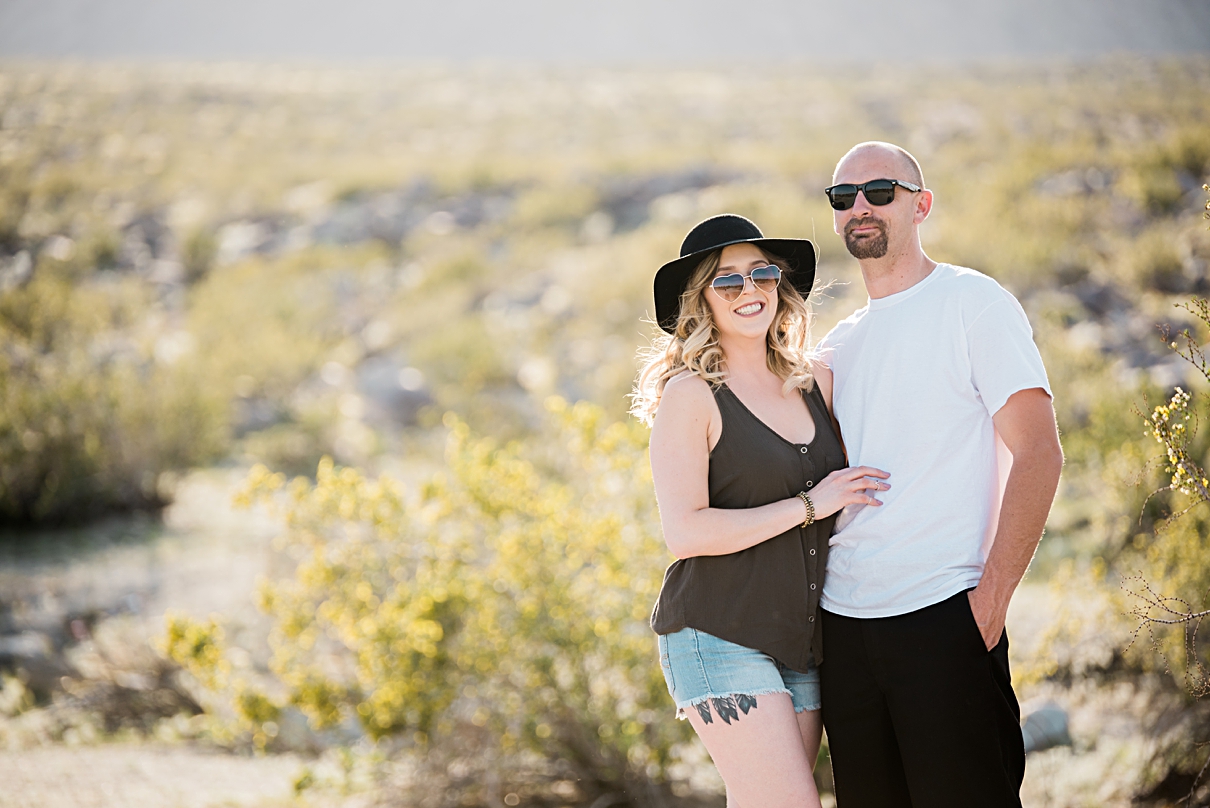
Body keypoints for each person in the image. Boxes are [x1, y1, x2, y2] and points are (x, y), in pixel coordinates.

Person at [816, 142, 1064, 807]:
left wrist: (989, 604)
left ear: (921, 205)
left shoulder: (972, 302)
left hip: (944, 619)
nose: (860, 207)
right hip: (843, 632)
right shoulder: (838, 344)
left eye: (879, 192)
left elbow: (1039, 453)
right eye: (843, 197)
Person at [631, 214, 890, 807]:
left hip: (801, 641)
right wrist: (810, 505)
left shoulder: (814, 381)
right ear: (701, 301)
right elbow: (686, 532)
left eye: (762, 274)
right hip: (718, 632)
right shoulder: (691, 395)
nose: (749, 290)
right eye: (727, 281)